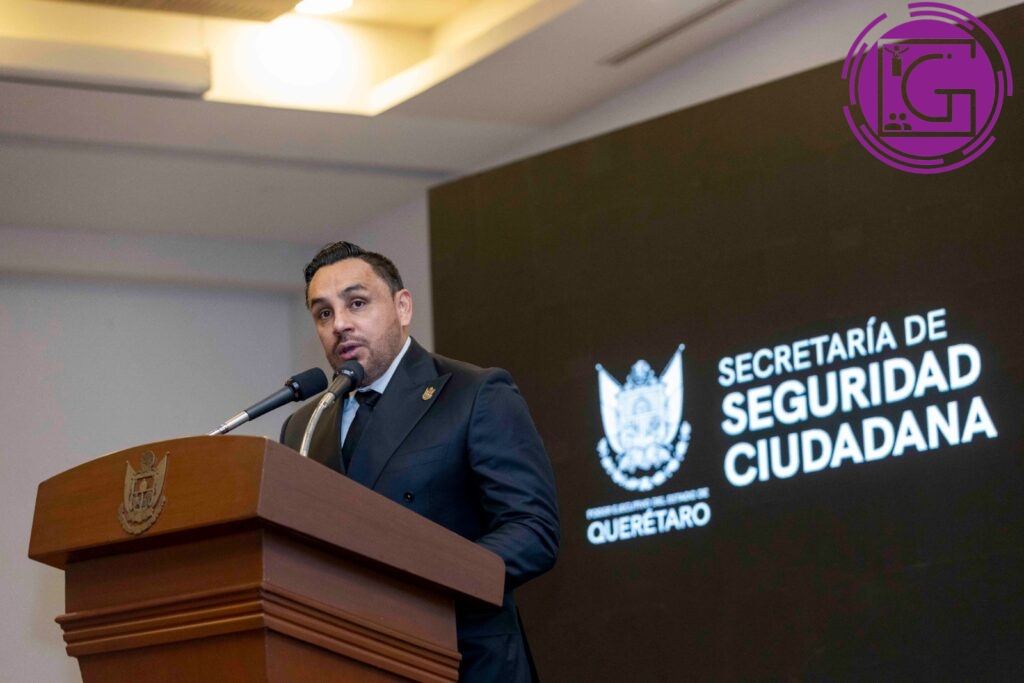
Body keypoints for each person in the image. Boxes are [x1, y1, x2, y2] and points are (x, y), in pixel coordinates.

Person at [280, 241, 560, 682]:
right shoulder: (304, 426)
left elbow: (532, 529)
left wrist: (424, 585)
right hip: (351, 661)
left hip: (464, 660)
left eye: (357, 303)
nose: (340, 324)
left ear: (403, 306)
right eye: (324, 313)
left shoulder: (474, 393)